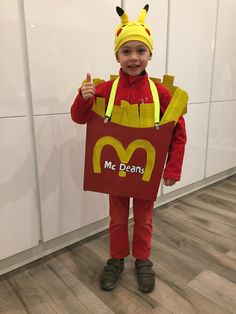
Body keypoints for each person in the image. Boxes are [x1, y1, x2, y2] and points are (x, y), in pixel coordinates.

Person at [71, 4, 186, 293]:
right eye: (126, 51)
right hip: (116, 171)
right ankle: (117, 258)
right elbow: (80, 117)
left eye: (140, 50)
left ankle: (143, 260)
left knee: (144, 218)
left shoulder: (161, 94)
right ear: (117, 56)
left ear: (150, 54)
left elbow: (178, 134)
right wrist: (83, 97)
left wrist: (172, 168)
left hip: (145, 171)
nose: (133, 57)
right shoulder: (105, 90)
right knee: (117, 217)